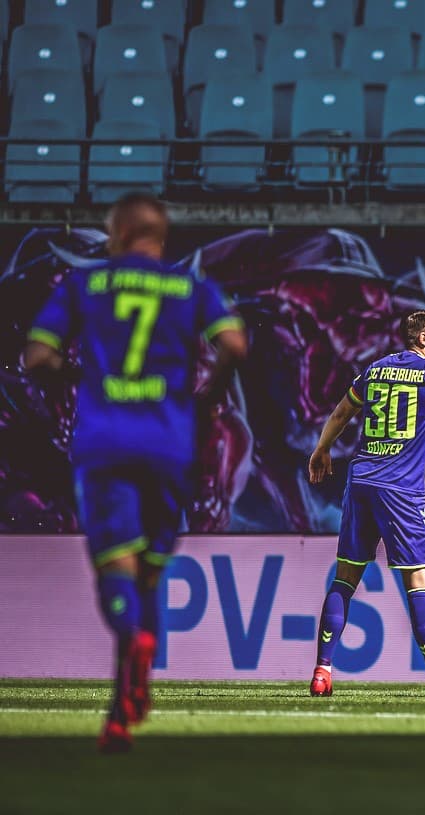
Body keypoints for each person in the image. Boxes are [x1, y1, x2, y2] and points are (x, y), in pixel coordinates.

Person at [23, 193, 248, 751]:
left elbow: (37, 357)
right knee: (148, 573)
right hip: (170, 444)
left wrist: (75, 379)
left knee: (115, 570)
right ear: (160, 237)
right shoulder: (190, 287)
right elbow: (235, 344)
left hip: (106, 442)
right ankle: (121, 712)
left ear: (118, 234)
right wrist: (207, 396)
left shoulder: (85, 284)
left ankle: (134, 639)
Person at [307, 310, 425, 699]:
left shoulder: (374, 370)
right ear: (424, 339)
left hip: (361, 482)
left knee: (345, 578)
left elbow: (342, 412)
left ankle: (322, 671)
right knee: (420, 581)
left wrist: (322, 449)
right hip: (401, 491)